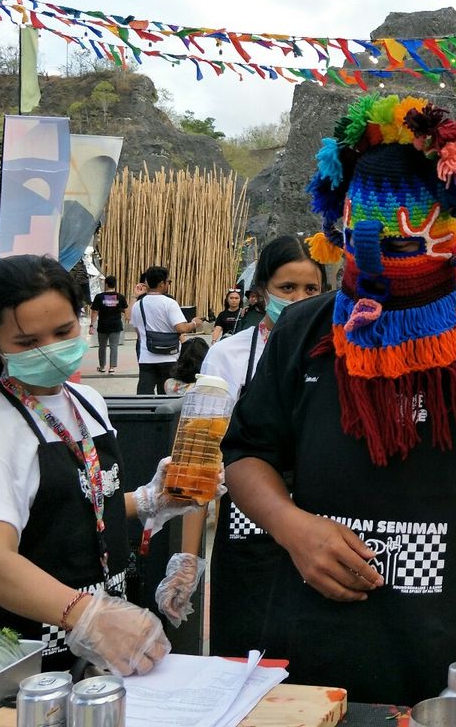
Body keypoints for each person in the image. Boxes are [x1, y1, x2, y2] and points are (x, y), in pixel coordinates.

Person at [217, 95, 456, 715]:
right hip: (306, 662)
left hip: (451, 669)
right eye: (370, 228)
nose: (389, 248)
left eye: (414, 227)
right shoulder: (306, 333)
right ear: (340, 224)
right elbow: (247, 455)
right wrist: (293, 527)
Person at [0, 255, 204, 675]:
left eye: (64, 331)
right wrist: (87, 615)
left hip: (112, 628)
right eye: (29, 342)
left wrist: (147, 501)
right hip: (38, 646)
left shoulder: (87, 402)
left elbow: (73, 507)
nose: (51, 349)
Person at [156, 235, 327, 633]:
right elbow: (199, 459)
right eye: (287, 288)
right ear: (260, 292)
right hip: (249, 530)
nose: (300, 299)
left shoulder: (338, 353)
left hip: (325, 530)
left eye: (311, 289)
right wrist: (186, 559)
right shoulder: (228, 355)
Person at [131, 266, 203, 394]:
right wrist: (194, 323)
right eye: (168, 281)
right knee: (165, 393)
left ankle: (143, 413)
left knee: (144, 392)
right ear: (161, 284)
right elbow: (181, 328)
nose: (168, 284)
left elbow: (137, 330)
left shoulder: (138, 305)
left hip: (146, 357)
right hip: (169, 357)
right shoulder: (169, 303)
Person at [89, 275, 128, 375]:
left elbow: (94, 312)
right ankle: (112, 368)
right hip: (116, 325)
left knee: (102, 346)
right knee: (114, 346)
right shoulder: (120, 297)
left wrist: (92, 325)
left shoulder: (99, 297)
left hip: (103, 325)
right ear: (115, 285)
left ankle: (102, 367)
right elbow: (126, 311)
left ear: (106, 284)